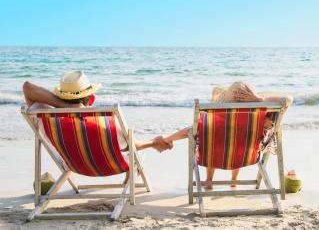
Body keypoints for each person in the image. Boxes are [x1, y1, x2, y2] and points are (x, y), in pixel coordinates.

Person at [163, 82, 293, 189]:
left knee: (212, 138)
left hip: (214, 153)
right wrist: (258, 99)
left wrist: (169, 139)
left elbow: (189, 131)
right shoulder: (259, 116)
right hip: (246, 155)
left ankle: (209, 181)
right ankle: (234, 181)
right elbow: (288, 99)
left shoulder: (213, 121)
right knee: (241, 137)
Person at [23, 70, 172, 152]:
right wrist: (153, 142)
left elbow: (28, 87)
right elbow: (131, 145)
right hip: (103, 166)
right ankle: (133, 173)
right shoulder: (103, 125)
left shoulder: (45, 119)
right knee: (130, 149)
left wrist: (63, 107)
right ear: (91, 99)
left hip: (73, 164)